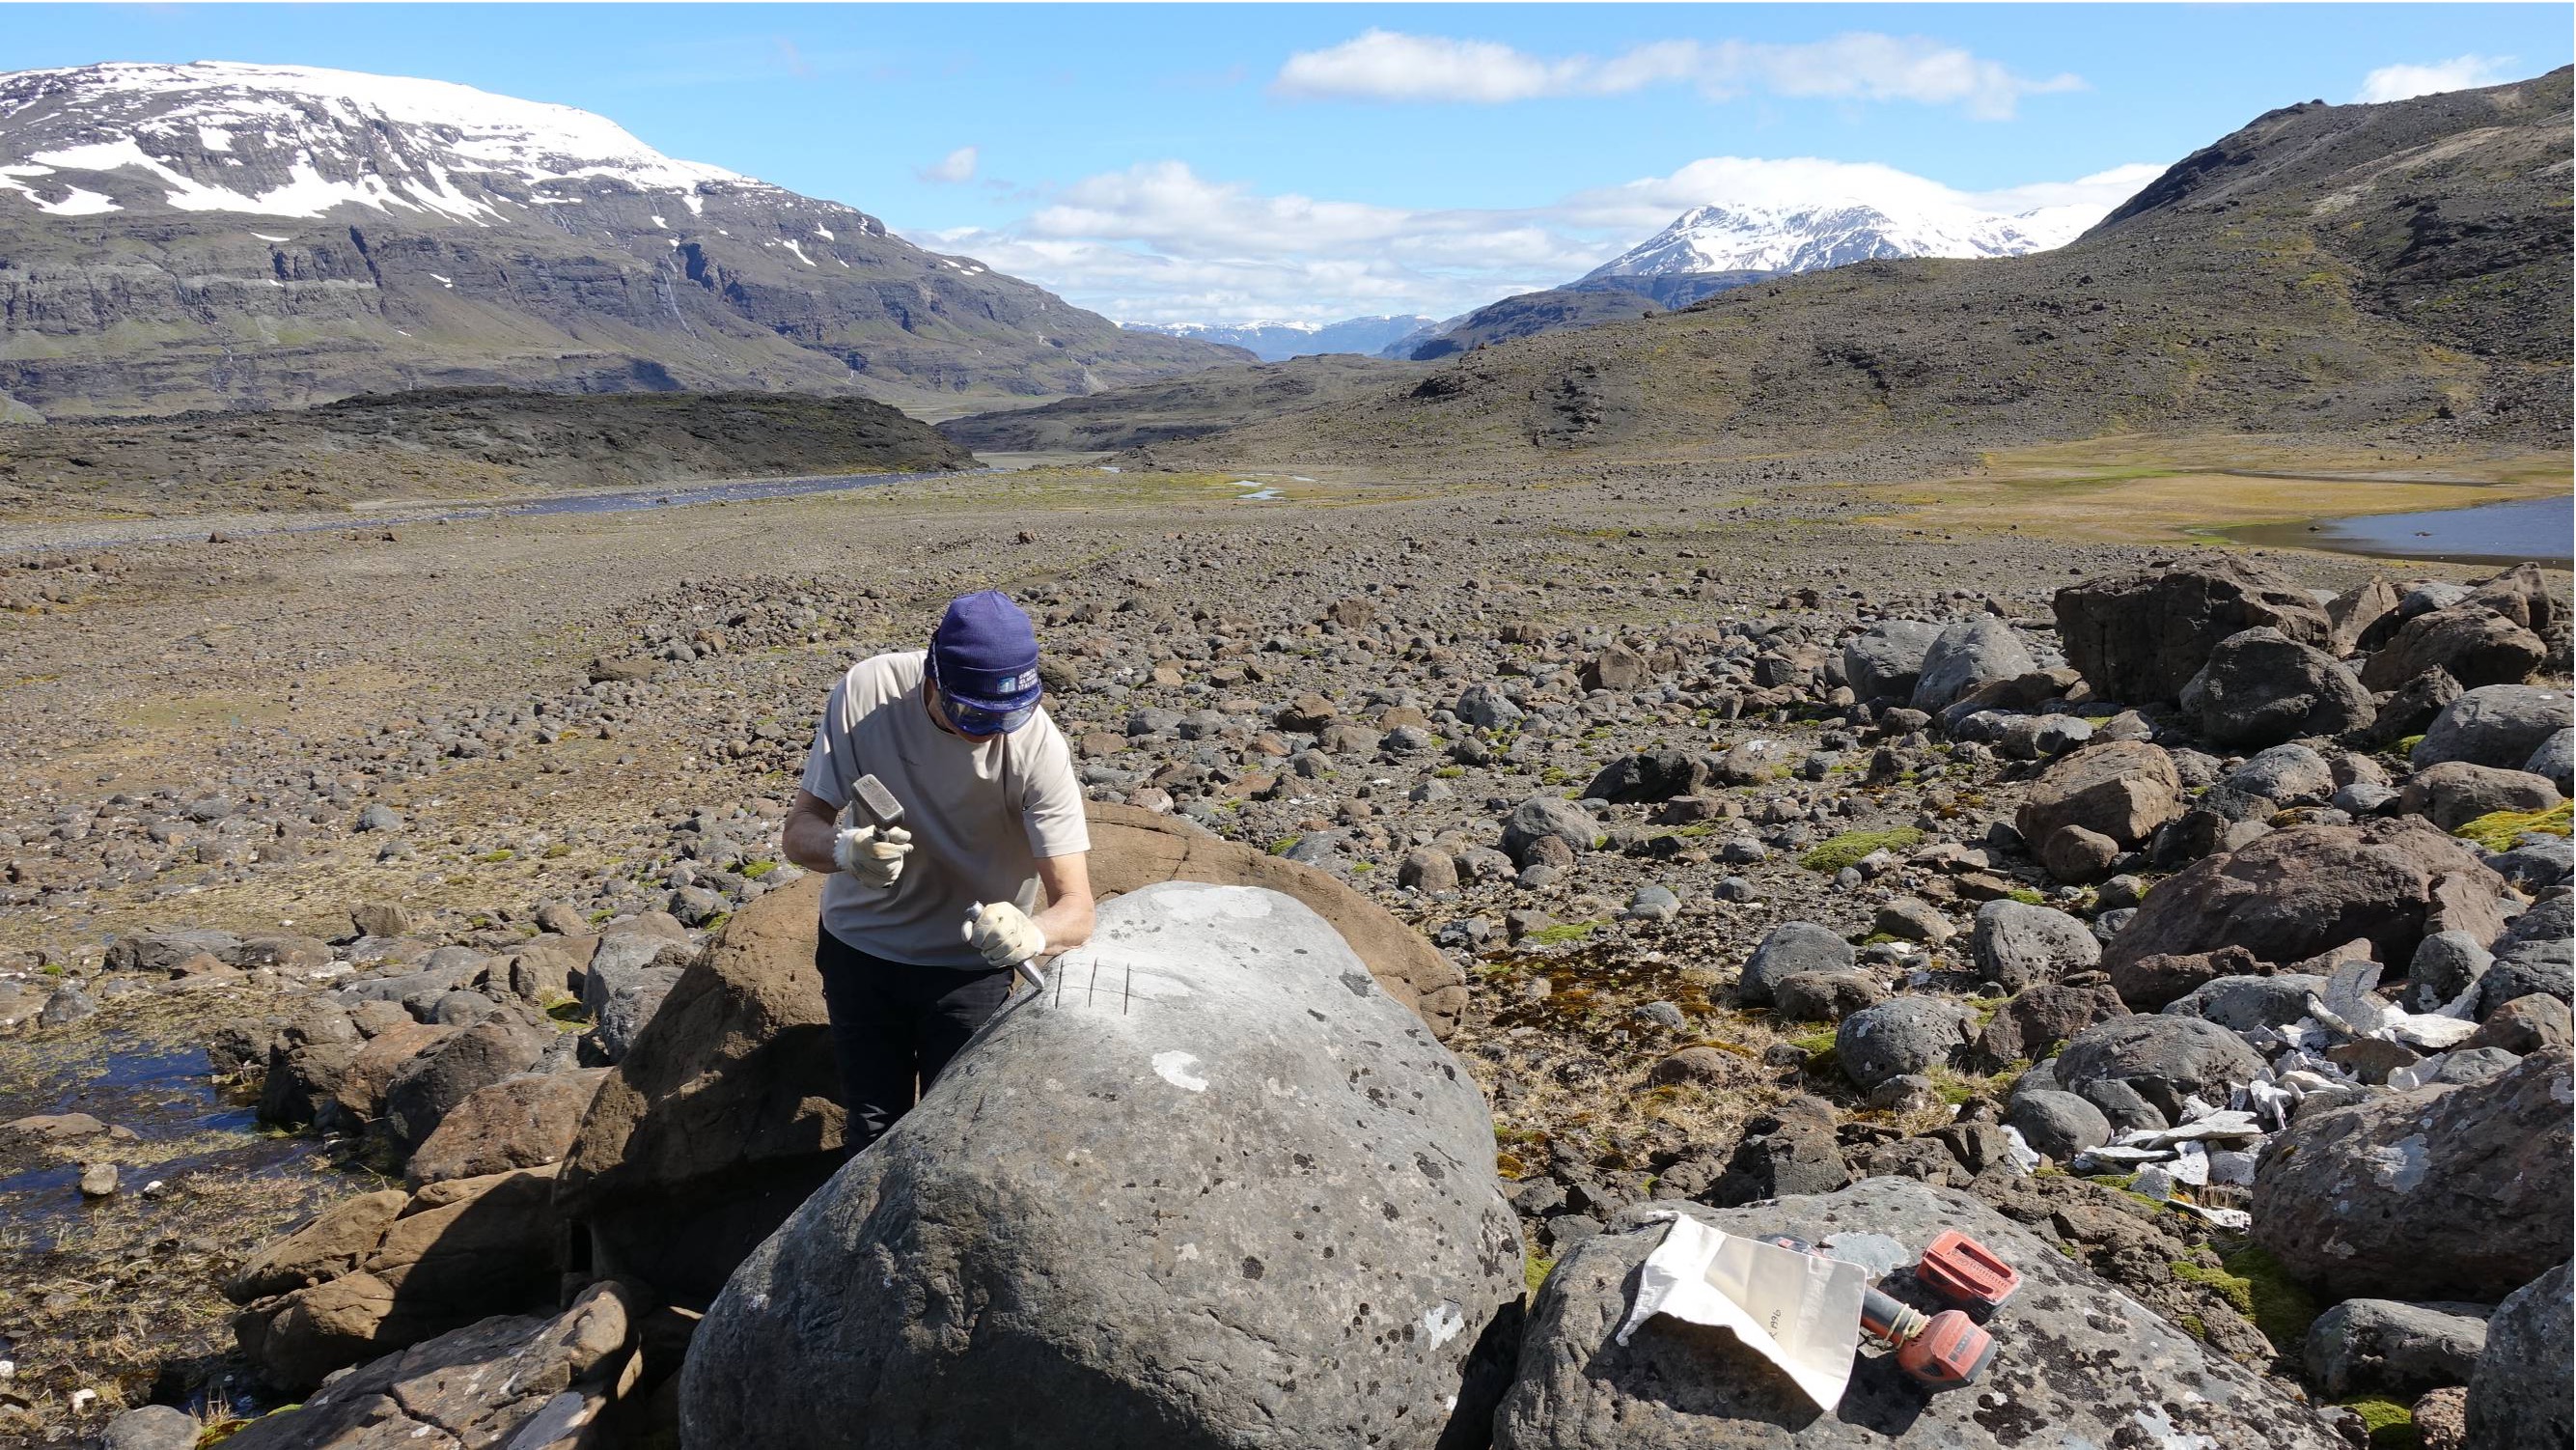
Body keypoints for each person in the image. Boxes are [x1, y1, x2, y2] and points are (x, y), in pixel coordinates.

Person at [781, 589, 1093, 1152]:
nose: (988, 732)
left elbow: (1078, 908)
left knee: (959, 1138)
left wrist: (1034, 932)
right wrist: (846, 850)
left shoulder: (1035, 744)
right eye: (970, 713)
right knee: (873, 1127)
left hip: (969, 968)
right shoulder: (866, 692)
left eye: (1007, 716)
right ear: (932, 675)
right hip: (861, 955)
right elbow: (799, 832)